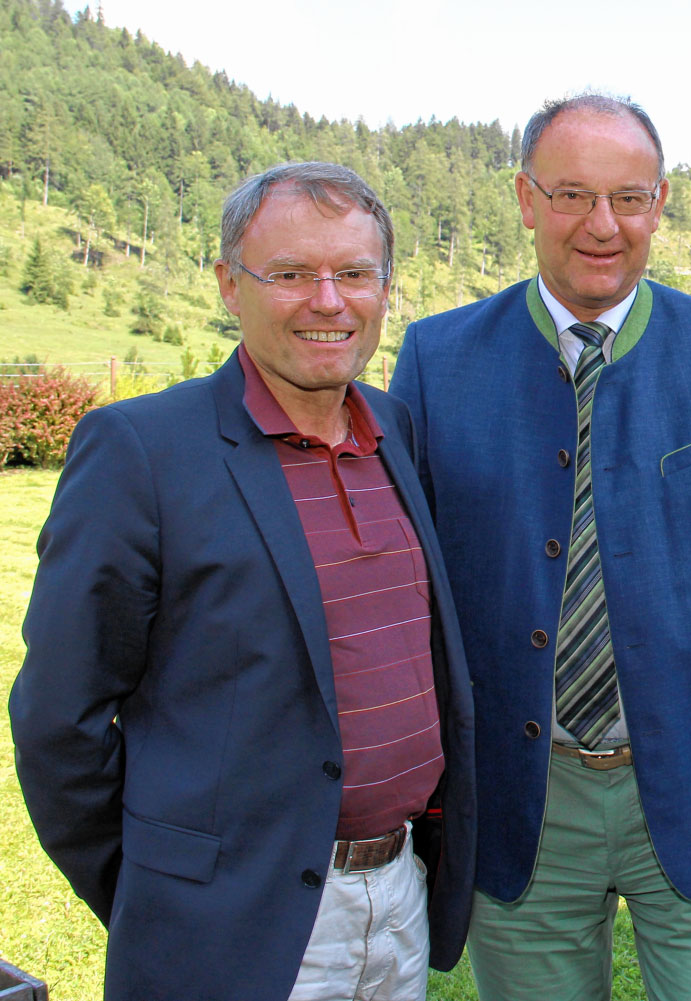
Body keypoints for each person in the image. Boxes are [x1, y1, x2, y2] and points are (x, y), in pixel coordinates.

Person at [390, 94, 691, 1001]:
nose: (604, 225)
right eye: (572, 196)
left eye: (629, 198)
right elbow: (411, 597)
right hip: (523, 799)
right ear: (524, 198)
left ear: (661, 202)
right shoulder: (437, 359)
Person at [9, 162, 477, 1001]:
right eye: (292, 274)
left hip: (398, 895)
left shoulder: (393, 429)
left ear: (386, 287)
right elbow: (58, 719)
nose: (328, 301)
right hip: (237, 920)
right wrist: (166, 893)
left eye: (354, 274)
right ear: (230, 283)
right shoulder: (141, 449)